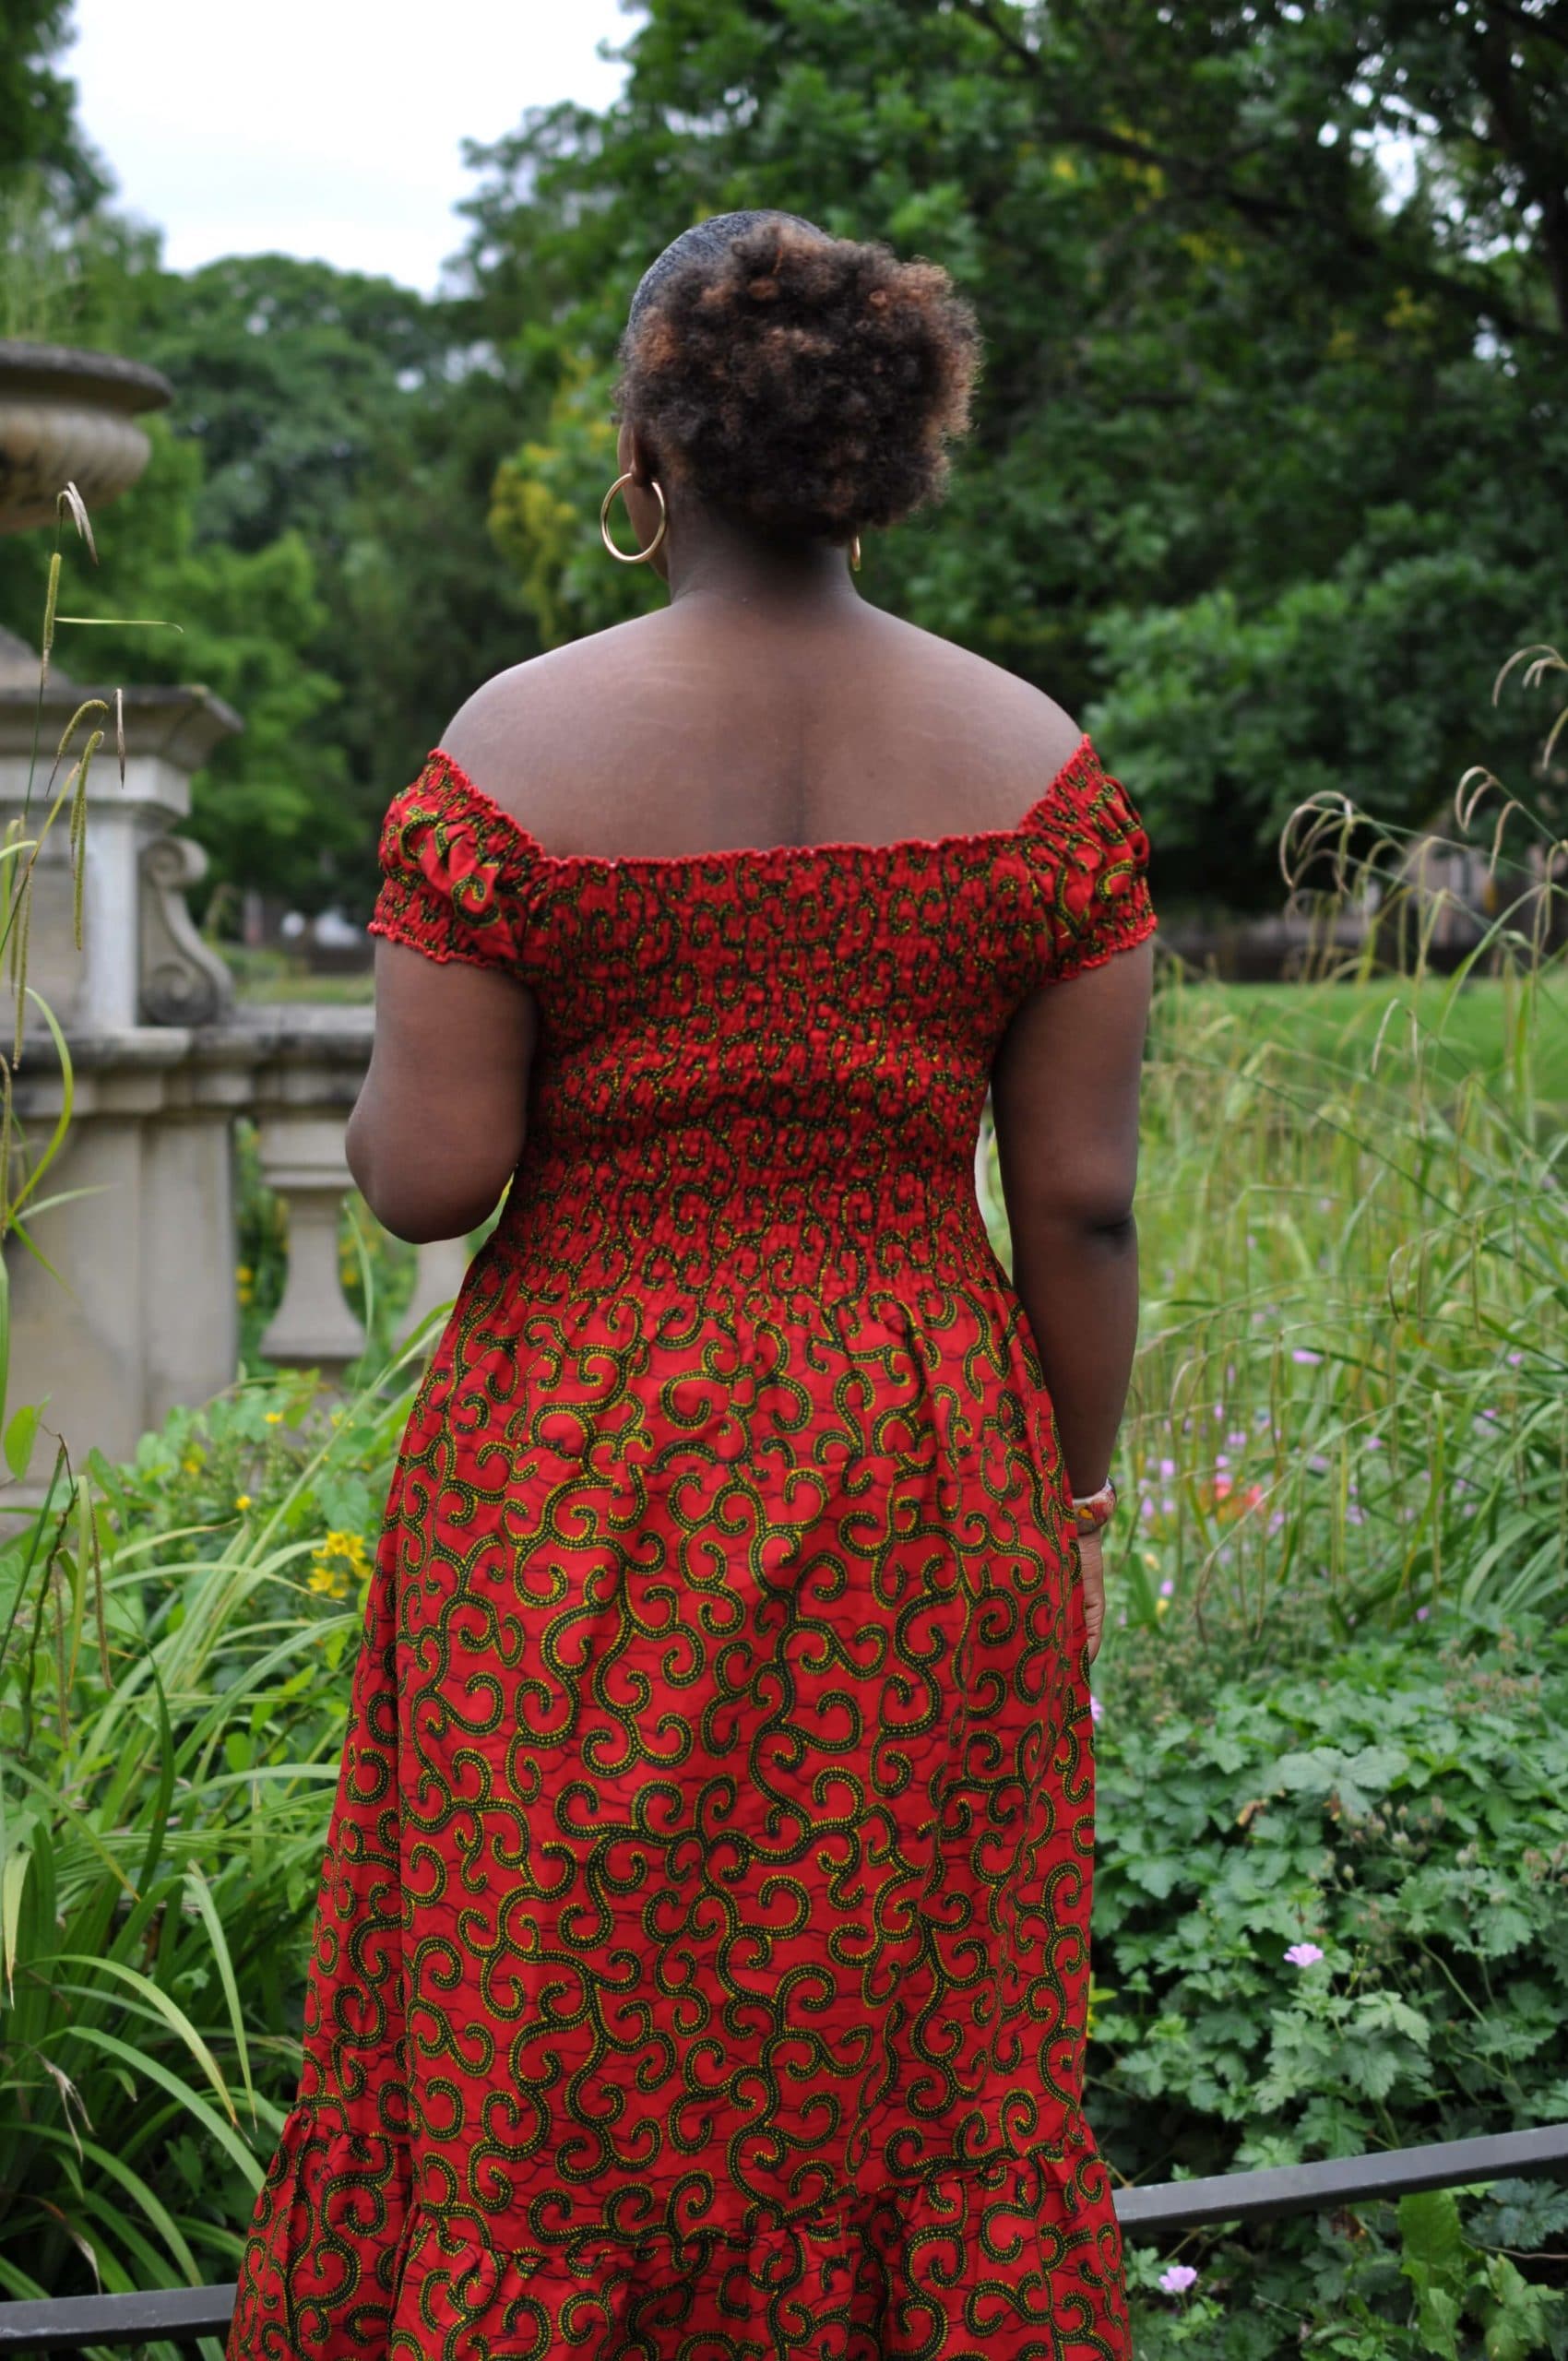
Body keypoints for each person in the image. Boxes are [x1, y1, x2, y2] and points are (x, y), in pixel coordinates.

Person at [229, 210, 1156, 2361]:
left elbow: (430, 1179)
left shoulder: (515, 750)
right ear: (889, 454)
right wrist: (1071, 1488)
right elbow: (1084, 1208)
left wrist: (386, 1113)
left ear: (652, 451)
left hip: (582, 1468)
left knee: (555, 2029)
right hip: (923, 1463)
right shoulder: (1038, 770)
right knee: (900, 2041)